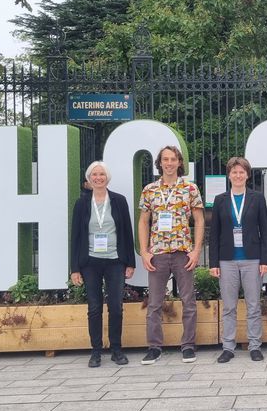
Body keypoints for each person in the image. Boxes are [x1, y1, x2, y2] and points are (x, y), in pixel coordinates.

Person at [138, 146, 205, 365]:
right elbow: (143, 221)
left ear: (179, 162)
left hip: (182, 253)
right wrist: (144, 252)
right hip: (157, 253)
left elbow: (199, 220)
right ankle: (154, 347)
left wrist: (196, 251)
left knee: (188, 301)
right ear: (160, 163)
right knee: (154, 303)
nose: (169, 163)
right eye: (165, 159)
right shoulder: (149, 190)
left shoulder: (190, 188)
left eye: (173, 159)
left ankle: (188, 345)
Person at [70, 161, 136, 368]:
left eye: (102, 174)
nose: (98, 178)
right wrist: (74, 268)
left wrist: (130, 263)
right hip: (90, 262)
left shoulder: (119, 201)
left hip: (115, 261)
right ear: (89, 179)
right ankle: (96, 351)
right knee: (94, 307)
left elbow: (127, 232)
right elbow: (75, 236)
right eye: (94, 175)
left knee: (116, 307)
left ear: (107, 178)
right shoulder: (81, 204)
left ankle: (116, 349)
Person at [209, 157, 267, 363]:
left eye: (241, 172)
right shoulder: (220, 200)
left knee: (253, 305)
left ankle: (255, 345)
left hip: (252, 259)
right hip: (227, 260)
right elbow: (214, 233)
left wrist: (265, 260)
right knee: (229, 307)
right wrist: (213, 263)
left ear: (247, 175)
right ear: (229, 175)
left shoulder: (257, 198)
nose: (238, 175)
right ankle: (228, 347)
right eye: (234, 172)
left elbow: (265, 231)